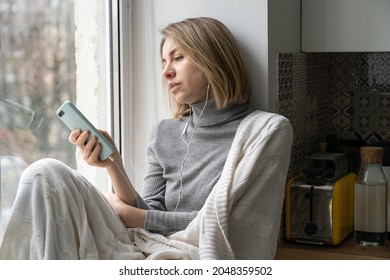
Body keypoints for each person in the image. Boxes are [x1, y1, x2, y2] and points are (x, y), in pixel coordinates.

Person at [0, 17, 292, 260]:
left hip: (193, 256)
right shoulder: (164, 132)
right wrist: (113, 163)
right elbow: (147, 212)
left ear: (214, 59)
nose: (166, 71)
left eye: (178, 58)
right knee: (44, 173)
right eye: (164, 61)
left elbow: (229, 225)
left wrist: (135, 217)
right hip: (144, 246)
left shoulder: (265, 132)